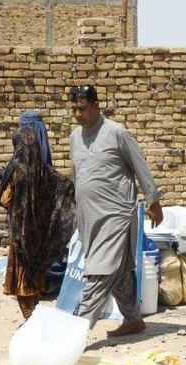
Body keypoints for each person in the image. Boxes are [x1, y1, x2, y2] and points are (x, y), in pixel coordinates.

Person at [68, 85, 164, 337]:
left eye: (83, 108)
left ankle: (75, 333)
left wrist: (153, 202)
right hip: (89, 216)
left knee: (100, 270)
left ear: (96, 106)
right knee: (119, 270)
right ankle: (133, 319)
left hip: (116, 214)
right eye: (74, 109)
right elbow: (78, 175)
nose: (78, 114)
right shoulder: (75, 137)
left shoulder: (117, 133)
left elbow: (140, 167)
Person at [0, 110, 75, 319]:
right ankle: (33, 315)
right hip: (39, 237)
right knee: (35, 277)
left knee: (20, 278)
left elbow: (5, 200)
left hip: (20, 236)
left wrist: (3, 180)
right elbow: (67, 187)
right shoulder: (45, 172)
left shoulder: (16, 171)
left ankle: (29, 317)